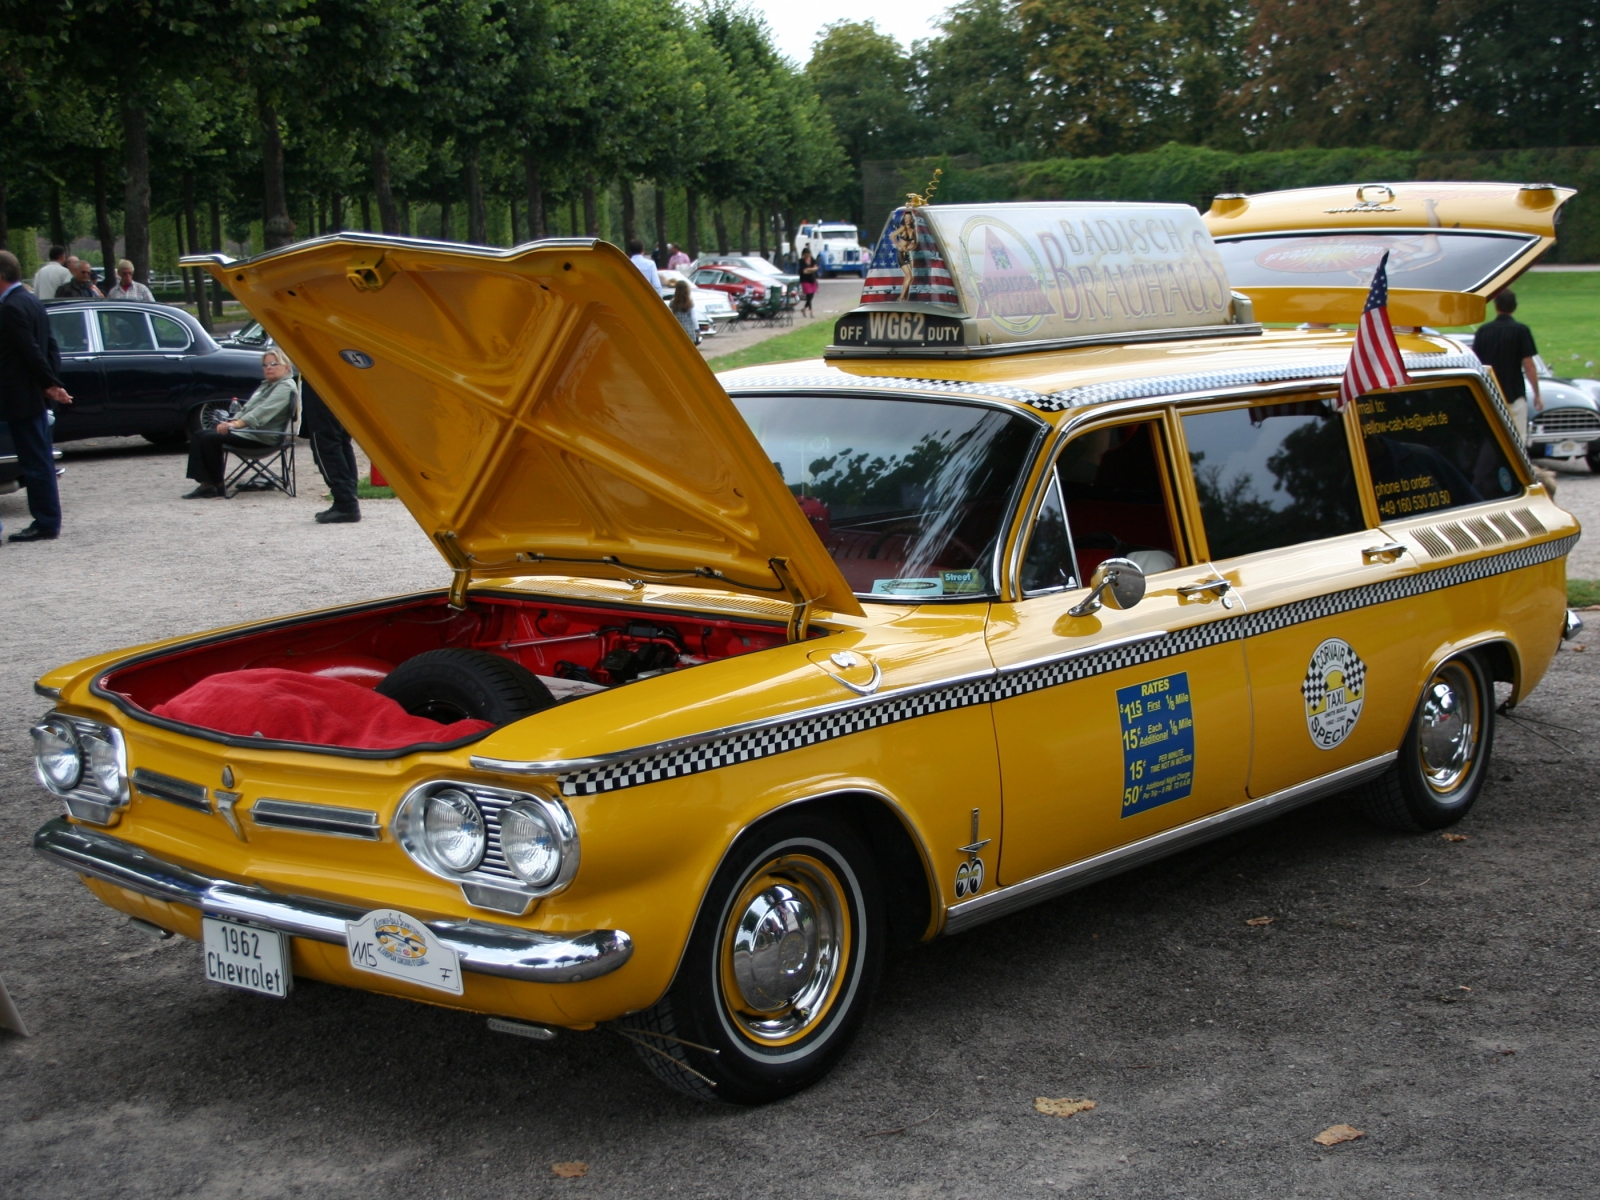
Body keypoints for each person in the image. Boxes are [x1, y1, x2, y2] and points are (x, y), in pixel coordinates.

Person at [0, 249, 73, 542]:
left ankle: (45, 522)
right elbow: (50, 346)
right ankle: (47, 520)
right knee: (40, 459)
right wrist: (51, 383)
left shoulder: (10, 308)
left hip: (21, 397)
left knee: (34, 462)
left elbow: (29, 351)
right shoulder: (31, 301)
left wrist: (49, 383)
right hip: (35, 395)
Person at [183, 349, 297, 498]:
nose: (268, 367)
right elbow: (248, 408)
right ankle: (209, 484)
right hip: (249, 433)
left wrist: (236, 425)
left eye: (274, 364)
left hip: (263, 438)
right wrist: (231, 421)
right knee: (200, 434)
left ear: (286, 367)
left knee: (210, 438)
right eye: (265, 365)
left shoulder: (285, 387)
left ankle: (214, 485)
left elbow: (263, 412)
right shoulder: (268, 385)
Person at [1473, 289, 1540, 442]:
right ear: (1514, 307)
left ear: (1496, 307)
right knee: (1518, 440)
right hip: (1514, 393)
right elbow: (1529, 365)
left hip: (1490, 393)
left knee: (1492, 439)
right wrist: (1537, 394)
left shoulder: (1484, 331)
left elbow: (1476, 363)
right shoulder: (1521, 331)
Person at [301, 374, 361, 523]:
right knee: (341, 441)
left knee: (325, 443)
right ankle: (347, 498)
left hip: (320, 377)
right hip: (340, 375)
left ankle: (346, 502)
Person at [669, 279, 699, 343]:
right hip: (689, 330)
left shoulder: (672, 303)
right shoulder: (689, 303)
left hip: (677, 330)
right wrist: (697, 328)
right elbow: (694, 317)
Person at [798, 248, 819, 316]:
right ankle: (811, 311)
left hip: (812, 280)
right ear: (803, 255)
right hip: (805, 280)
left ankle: (804, 309)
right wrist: (812, 269)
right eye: (806, 255)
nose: (807, 256)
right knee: (808, 295)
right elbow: (804, 271)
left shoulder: (812, 259)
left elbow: (816, 268)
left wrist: (809, 269)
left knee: (811, 295)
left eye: (808, 254)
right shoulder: (801, 261)